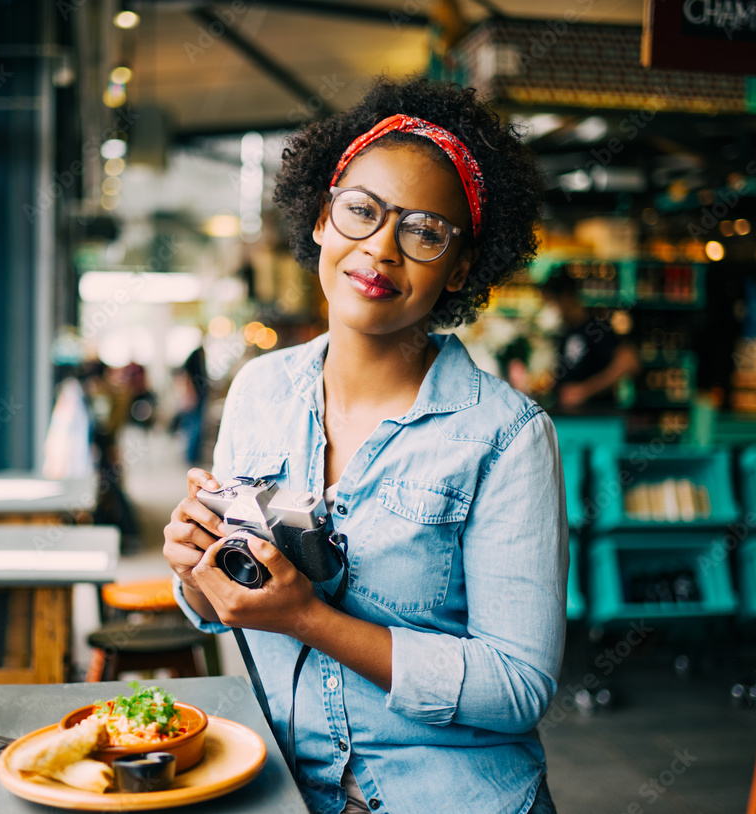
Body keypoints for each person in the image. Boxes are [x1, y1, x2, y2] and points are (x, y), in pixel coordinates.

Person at [164, 76, 567, 814]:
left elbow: (518, 686)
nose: (379, 248)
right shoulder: (260, 392)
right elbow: (222, 602)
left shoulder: (506, 437)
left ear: (462, 265)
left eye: (422, 231)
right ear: (322, 218)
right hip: (280, 790)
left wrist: (308, 620)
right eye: (361, 211)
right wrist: (197, 567)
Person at [539, 271, 641, 409]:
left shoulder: (595, 328)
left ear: (566, 297)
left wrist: (585, 390)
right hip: (570, 419)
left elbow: (629, 362)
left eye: (550, 302)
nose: (548, 310)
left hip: (596, 419)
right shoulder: (565, 331)